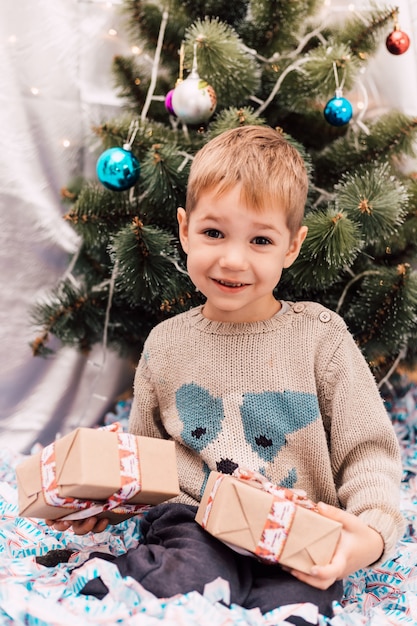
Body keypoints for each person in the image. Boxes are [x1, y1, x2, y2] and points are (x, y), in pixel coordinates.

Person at [45, 125, 404, 625]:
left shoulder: (323, 338)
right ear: (185, 228)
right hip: (193, 521)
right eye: (214, 233)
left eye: (261, 239)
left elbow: (369, 454)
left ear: (292, 247)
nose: (233, 260)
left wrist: (371, 534)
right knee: (186, 579)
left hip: (292, 523)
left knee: (299, 606)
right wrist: (112, 504)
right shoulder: (166, 344)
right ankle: (113, 573)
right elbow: (145, 461)